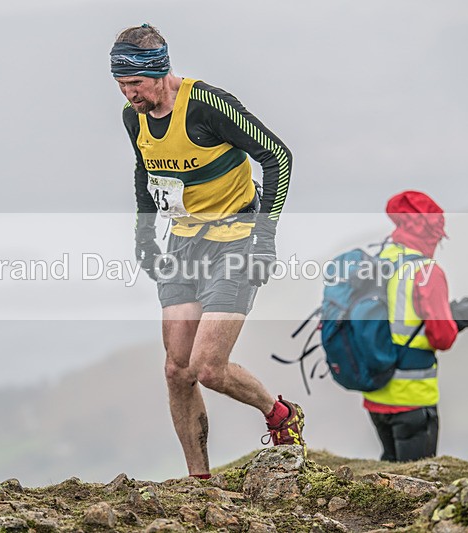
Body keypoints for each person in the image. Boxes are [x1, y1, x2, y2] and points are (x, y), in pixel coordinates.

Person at [110, 24, 305, 479]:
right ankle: (200, 481)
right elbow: (145, 171)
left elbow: (278, 155)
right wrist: (144, 237)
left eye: (135, 83)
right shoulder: (132, 116)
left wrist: (266, 238)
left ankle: (279, 415)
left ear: (159, 72)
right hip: (182, 243)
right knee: (177, 370)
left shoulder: (206, 105)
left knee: (208, 368)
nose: (129, 94)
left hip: (235, 241)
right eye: (120, 84)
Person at [364, 190, 468, 462]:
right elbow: (442, 338)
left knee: (390, 471)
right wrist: (458, 318)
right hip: (411, 397)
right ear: (431, 231)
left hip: (375, 392)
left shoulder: (381, 259)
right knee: (415, 484)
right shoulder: (427, 271)